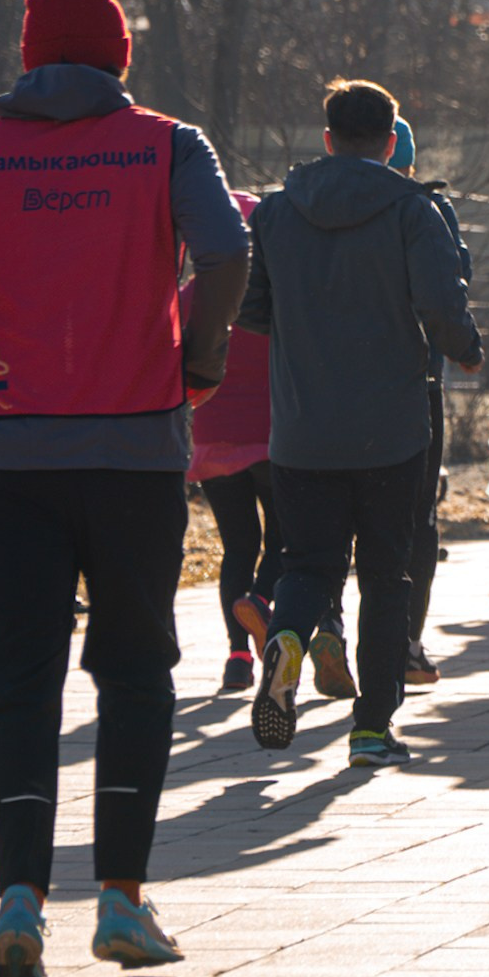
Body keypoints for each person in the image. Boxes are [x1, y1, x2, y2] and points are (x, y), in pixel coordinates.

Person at [0, 0, 249, 977]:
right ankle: (124, 900)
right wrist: (204, 351)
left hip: (10, 454)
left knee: (17, 680)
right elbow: (227, 249)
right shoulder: (167, 145)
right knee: (134, 671)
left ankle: (16, 905)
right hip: (134, 450)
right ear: (119, 53)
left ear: (27, 54)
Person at [243, 79, 484, 769]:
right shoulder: (415, 210)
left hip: (300, 427)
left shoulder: (277, 213)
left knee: (308, 562)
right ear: (390, 142)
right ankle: (372, 730)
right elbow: (441, 302)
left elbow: (251, 310)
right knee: (385, 576)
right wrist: (467, 350)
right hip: (392, 427)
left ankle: (287, 638)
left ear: (326, 138)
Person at [387, 115, 471, 687]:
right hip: (416, 385)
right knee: (415, 518)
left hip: (318, 389)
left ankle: (323, 628)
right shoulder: (428, 210)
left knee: (324, 522)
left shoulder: (300, 207)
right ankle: (405, 642)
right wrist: (466, 347)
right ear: (407, 158)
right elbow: (451, 289)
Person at [185, 190, 280, 694]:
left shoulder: (193, 294)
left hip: (213, 436)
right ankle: (262, 603)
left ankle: (237, 657)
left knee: (237, 545)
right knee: (285, 538)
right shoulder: (280, 291)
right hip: (271, 436)